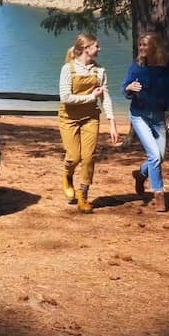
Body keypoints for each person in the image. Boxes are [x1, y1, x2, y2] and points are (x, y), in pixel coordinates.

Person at [58, 33, 120, 213]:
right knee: (74, 156)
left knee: (89, 157)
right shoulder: (67, 69)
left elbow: (105, 98)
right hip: (68, 118)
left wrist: (112, 123)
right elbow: (66, 98)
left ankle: (83, 195)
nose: (99, 49)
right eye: (96, 46)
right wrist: (91, 97)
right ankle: (67, 175)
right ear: (86, 49)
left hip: (91, 118)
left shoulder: (99, 71)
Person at [122, 32, 169, 213]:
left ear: (155, 47)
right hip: (139, 115)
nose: (141, 48)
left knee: (159, 156)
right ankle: (159, 196)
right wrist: (129, 88)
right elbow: (125, 87)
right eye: (140, 45)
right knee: (155, 156)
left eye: (144, 45)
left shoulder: (168, 67)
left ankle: (141, 174)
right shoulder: (137, 66)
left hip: (158, 117)